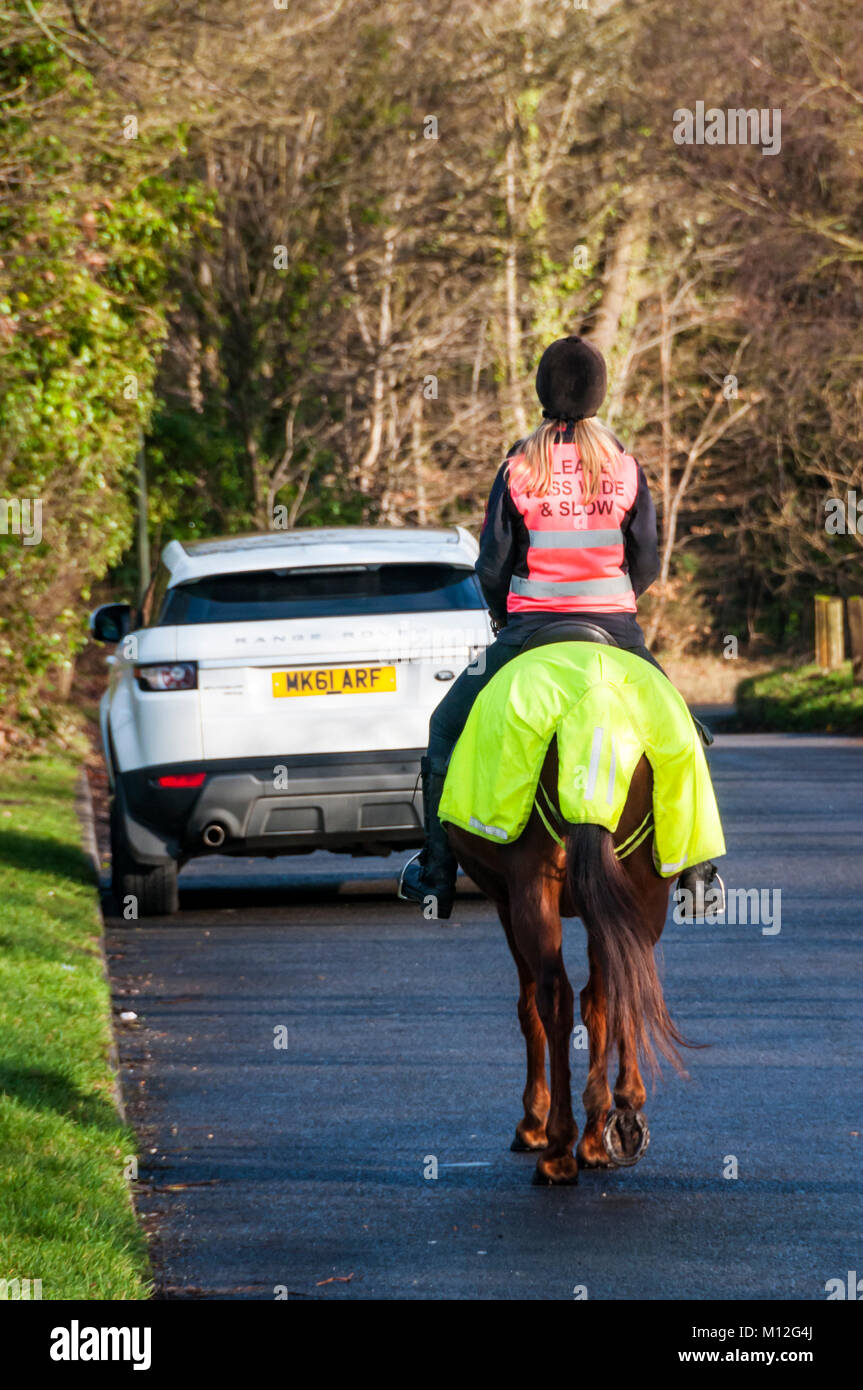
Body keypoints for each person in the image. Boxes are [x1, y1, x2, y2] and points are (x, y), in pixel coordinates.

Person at [399, 334, 724, 919]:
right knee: (687, 733)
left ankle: (436, 873)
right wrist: (616, 601)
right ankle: (699, 875)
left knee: (444, 727)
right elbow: (647, 561)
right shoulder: (624, 468)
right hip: (616, 635)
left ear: (542, 392)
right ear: (599, 392)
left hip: (528, 636)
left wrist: (506, 615)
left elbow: (492, 565)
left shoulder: (520, 467)